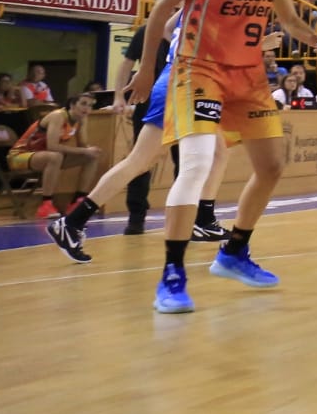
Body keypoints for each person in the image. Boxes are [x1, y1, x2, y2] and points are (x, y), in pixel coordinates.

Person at [124, 0, 317, 314]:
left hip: (248, 73)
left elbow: (287, 18)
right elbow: (162, 9)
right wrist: (145, 67)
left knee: (272, 166)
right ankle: (172, 276)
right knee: (196, 165)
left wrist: (314, 40)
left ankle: (233, 252)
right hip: (200, 69)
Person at [48, 20, 229, 262]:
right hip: (182, 84)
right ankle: (74, 221)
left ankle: (203, 219)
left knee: (215, 153)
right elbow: (161, 27)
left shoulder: (206, 5)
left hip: (190, 84)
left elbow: (166, 29)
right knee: (139, 162)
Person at [6, 92, 101, 220]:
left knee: (92, 157)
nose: (87, 108)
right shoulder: (58, 116)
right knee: (55, 156)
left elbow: (82, 145)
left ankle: (78, 201)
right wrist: (84, 151)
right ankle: (46, 205)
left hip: (45, 156)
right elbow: (53, 146)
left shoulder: (81, 119)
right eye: (83, 104)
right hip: (18, 156)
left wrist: (89, 149)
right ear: (72, 105)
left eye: (90, 105)